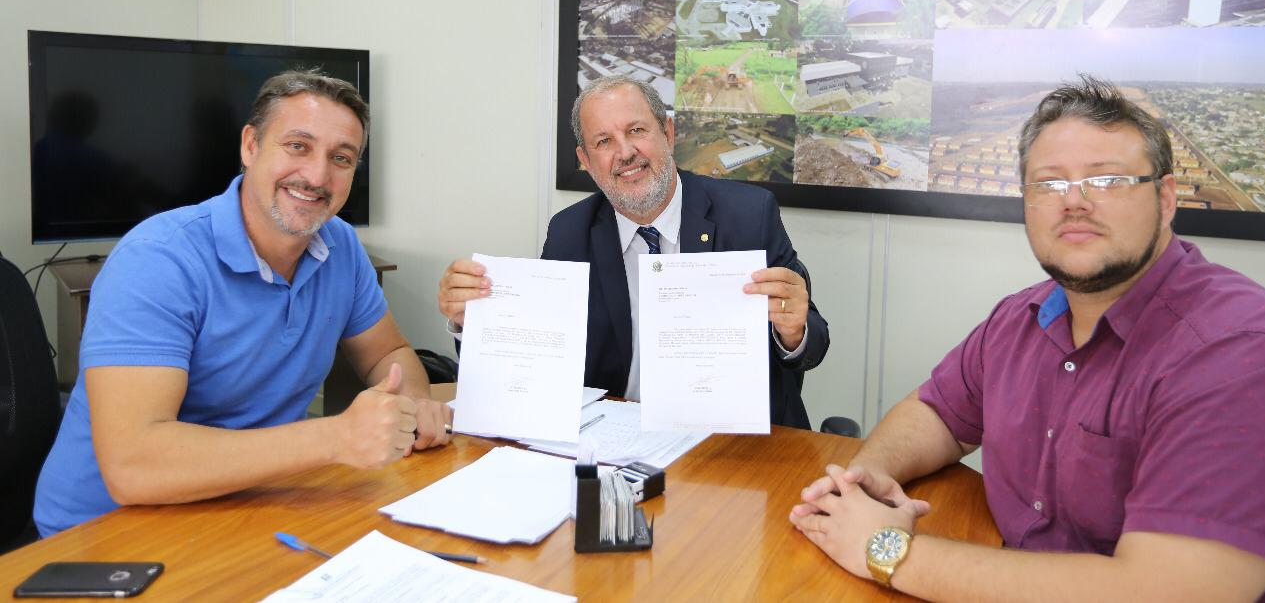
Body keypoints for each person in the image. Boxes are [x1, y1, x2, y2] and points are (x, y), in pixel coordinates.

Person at [790, 76, 1265, 601]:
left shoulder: (1238, 350)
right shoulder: (1021, 316)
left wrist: (888, 551)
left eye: (1108, 179)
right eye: (1049, 183)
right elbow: (937, 413)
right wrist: (869, 475)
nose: (1075, 202)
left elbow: (1167, 591)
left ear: (1164, 198)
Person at [35, 70, 452, 536]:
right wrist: (336, 437)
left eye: (341, 158)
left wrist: (416, 404)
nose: (317, 176)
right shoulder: (157, 260)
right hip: (106, 532)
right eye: (298, 145)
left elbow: (389, 354)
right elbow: (133, 464)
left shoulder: (341, 247)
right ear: (250, 146)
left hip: (253, 502)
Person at [438, 76, 829, 427]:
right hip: (616, 436)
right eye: (604, 141)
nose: (625, 153)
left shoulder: (748, 214)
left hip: (734, 441)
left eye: (636, 130)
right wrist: (472, 321)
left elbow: (813, 343)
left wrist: (794, 331)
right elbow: (538, 350)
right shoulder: (570, 232)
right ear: (586, 162)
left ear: (668, 133)